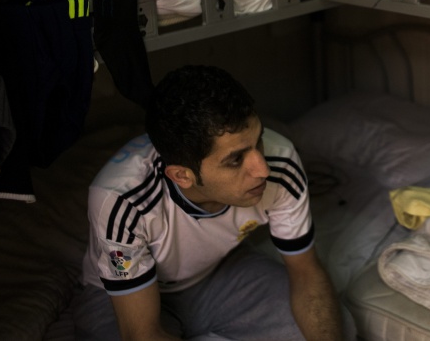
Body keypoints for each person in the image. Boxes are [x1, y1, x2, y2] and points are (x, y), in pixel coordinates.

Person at [72, 64, 353, 340]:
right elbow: (142, 334)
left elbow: (305, 271)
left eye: (259, 141)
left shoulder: (280, 164)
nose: (262, 170)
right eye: (235, 159)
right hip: (119, 300)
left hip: (214, 275)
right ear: (182, 175)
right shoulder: (122, 201)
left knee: (334, 325)